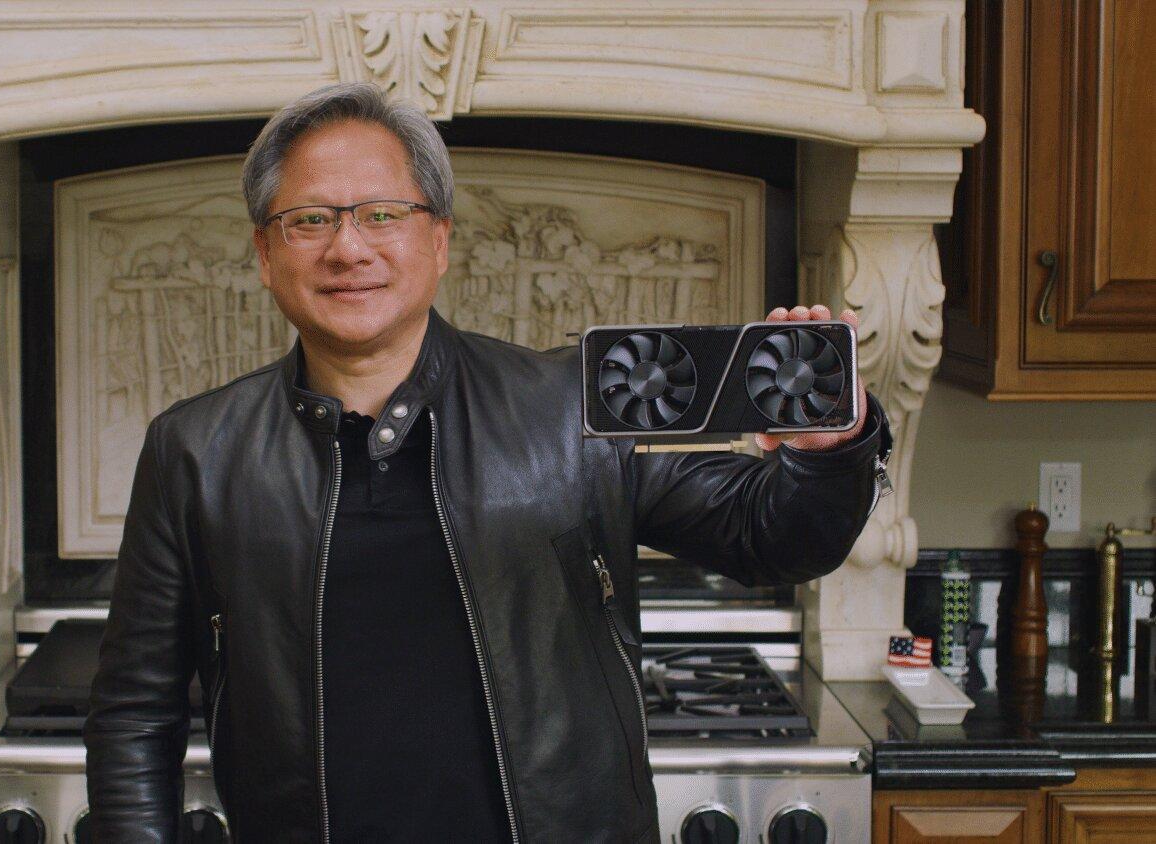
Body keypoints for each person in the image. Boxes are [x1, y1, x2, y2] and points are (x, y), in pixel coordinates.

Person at [85, 82, 892, 843]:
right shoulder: (196, 452)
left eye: (383, 213)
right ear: (265, 253)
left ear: (439, 240)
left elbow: (771, 538)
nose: (348, 247)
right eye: (310, 221)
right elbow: (134, 713)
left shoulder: (570, 412)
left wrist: (829, 453)